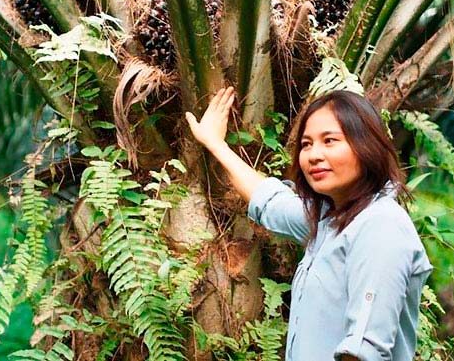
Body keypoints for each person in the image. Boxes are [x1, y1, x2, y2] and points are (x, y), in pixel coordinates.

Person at [185, 87, 433, 361]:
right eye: (306, 144)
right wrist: (215, 143)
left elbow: (364, 351)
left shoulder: (380, 226)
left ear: (367, 145)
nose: (314, 155)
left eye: (330, 141)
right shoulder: (330, 220)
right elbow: (269, 202)